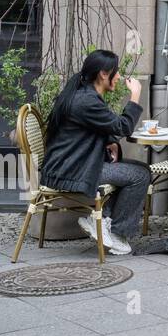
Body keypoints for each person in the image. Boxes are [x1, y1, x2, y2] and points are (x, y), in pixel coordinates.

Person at [39, 49, 147, 256]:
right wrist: (135, 96)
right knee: (139, 175)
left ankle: (104, 221)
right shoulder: (86, 100)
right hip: (72, 170)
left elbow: (92, 128)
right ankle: (115, 233)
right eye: (115, 72)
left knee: (139, 169)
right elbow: (123, 127)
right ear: (103, 74)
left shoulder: (84, 95)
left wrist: (110, 141)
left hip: (74, 164)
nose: (118, 77)